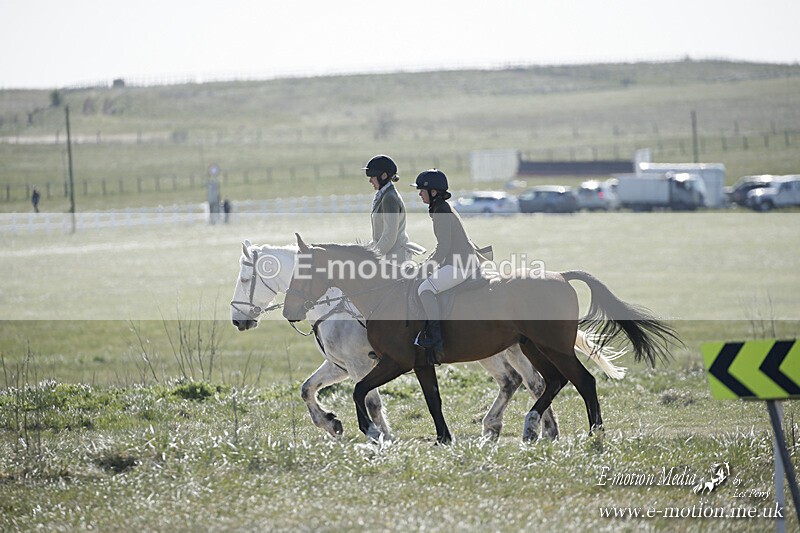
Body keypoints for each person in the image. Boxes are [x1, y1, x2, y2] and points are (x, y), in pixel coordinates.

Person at [411, 168, 479, 365]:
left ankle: (436, 338)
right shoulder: (440, 207)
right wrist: (426, 265)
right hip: (459, 261)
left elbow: (444, 247)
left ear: (433, 192)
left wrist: (426, 268)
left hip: (460, 265)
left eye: (421, 190)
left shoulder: (441, 210)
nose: (419, 193)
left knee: (425, 289)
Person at [362, 154, 422, 263]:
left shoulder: (389, 198)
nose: (370, 181)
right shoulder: (384, 196)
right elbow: (380, 236)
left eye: (372, 177)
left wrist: (372, 256)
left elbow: (389, 236)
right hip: (387, 256)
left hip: (395, 260)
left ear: (383, 176)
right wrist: (364, 250)